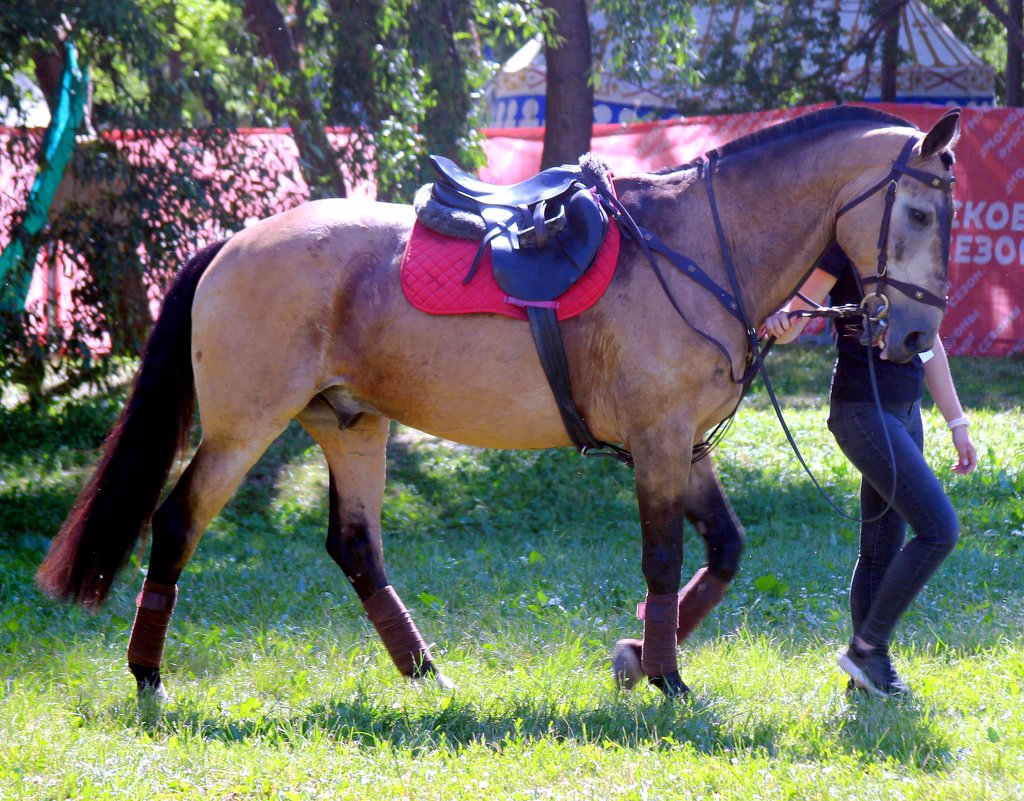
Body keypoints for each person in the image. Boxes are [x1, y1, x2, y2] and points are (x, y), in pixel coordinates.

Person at [761, 243, 978, 697]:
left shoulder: (912, 254)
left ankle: (865, 674)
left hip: (904, 412)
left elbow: (930, 341)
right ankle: (868, 646)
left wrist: (957, 424)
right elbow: (795, 322)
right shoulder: (845, 249)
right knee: (939, 530)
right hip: (861, 410)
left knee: (882, 548)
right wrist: (781, 323)